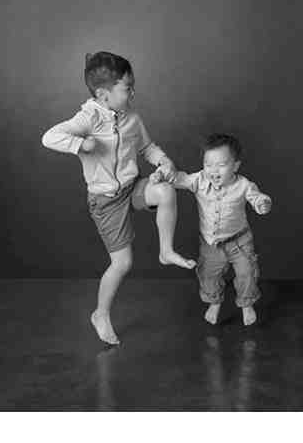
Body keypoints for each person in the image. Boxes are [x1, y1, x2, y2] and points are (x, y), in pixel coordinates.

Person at [42, 51, 195, 345]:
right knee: (123, 264)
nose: (133, 93)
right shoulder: (88, 118)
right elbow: (49, 137)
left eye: (132, 87)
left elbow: (147, 147)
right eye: (127, 88)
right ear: (103, 95)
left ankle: (166, 251)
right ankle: (100, 314)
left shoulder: (132, 118)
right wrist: (81, 145)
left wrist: (163, 161)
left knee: (165, 190)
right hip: (106, 201)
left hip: (131, 187)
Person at [173, 134, 272, 326]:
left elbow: (256, 197)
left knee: (248, 273)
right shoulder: (199, 180)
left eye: (221, 165)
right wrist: (165, 175)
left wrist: (263, 203)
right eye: (208, 164)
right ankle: (214, 302)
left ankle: (246, 303)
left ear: (235, 166)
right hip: (211, 244)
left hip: (239, 242)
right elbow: (180, 179)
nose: (213, 170)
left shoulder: (243, 185)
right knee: (208, 275)